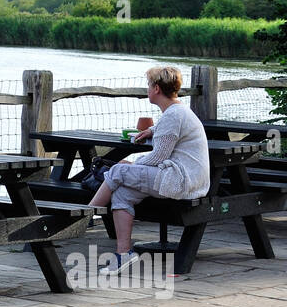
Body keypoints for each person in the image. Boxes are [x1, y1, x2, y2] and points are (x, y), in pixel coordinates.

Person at [87, 66, 211, 273]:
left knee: (118, 170)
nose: (147, 89)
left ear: (156, 89)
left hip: (181, 180)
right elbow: (168, 129)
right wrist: (151, 130)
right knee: (123, 194)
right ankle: (123, 255)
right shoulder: (176, 111)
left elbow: (159, 156)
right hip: (185, 178)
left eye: (148, 85)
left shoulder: (173, 115)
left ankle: (84, 217)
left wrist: (133, 165)